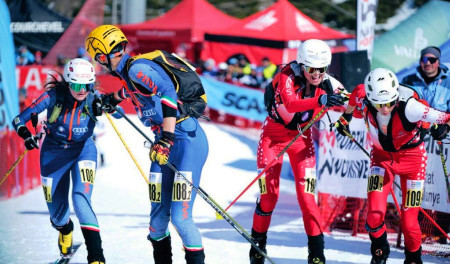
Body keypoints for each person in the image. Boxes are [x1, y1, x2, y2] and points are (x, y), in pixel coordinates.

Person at [85, 25, 209, 264]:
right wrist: (113, 99)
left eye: (98, 59)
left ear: (103, 55)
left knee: (181, 219)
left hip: (185, 141)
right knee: (157, 222)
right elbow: (135, 91)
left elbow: (167, 91)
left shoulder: (137, 68)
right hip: (164, 144)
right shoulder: (130, 74)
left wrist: (166, 138)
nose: (99, 64)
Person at [334, 68, 450, 264]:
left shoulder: (411, 107)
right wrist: (345, 118)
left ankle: (413, 259)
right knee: (374, 215)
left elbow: (444, 117)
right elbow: (356, 94)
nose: (385, 108)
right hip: (381, 159)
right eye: (379, 104)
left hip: (412, 161)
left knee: (409, 221)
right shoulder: (364, 96)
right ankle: (379, 252)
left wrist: (442, 128)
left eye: (389, 102)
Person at [249, 39, 345, 264]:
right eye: (312, 69)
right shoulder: (286, 75)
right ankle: (258, 245)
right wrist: (321, 99)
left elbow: (352, 99)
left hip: (302, 138)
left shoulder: (327, 81)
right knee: (269, 197)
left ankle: (317, 254)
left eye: (322, 69)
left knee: (307, 197)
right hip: (273, 138)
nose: (317, 74)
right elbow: (291, 103)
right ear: (302, 65)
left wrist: (349, 113)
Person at [12, 58, 106, 263]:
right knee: (58, 216)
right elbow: (19, 119)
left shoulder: (93, 97)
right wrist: (26, 135)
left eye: (88, 85)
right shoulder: (53, 96)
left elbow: (118, 110)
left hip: (84, 151)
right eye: (78, 85)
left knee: (81, 200)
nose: (83, 90)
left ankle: (97, 257)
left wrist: (110, 105)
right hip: (54, 154)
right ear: (69, 82)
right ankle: (65, 229)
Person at [402, 46, 450, 245]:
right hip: (417, 139)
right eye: (424, 59)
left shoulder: (448, 82)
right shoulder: (408, 81)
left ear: (438, 61)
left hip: (442, 139)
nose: (427, 63)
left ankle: (441, 229)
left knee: (441, 184)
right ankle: (419, 226)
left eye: (431, 59)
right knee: (420, 185)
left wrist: (445, 126)